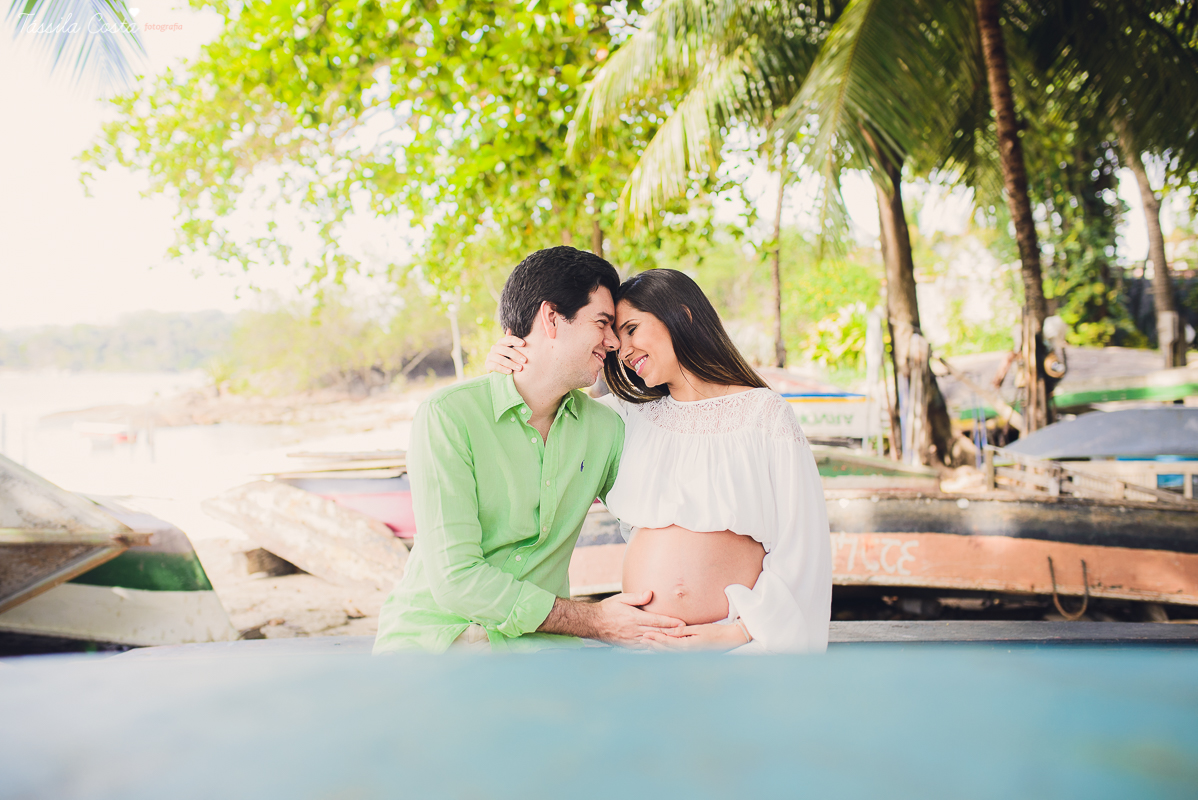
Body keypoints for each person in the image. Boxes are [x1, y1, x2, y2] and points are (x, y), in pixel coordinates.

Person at [487, 268, 832, 653]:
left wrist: (737, 633)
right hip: (640, 644)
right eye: (617, 335)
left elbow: (803, 544)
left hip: (730, 645)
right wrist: (511, 367)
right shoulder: (625, 417)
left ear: (682, 316)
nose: (621, 346)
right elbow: (537, 414)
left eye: (631, 329)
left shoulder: (763, 414)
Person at [373, 247, 687, 654]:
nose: (613, 342)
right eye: (603, 323)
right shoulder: (450, 416)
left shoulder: (605, 428)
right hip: (434, 642)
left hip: (538, 647)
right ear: (552, 318)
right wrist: (594, 620)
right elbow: (457, 580)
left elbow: (659, 511)